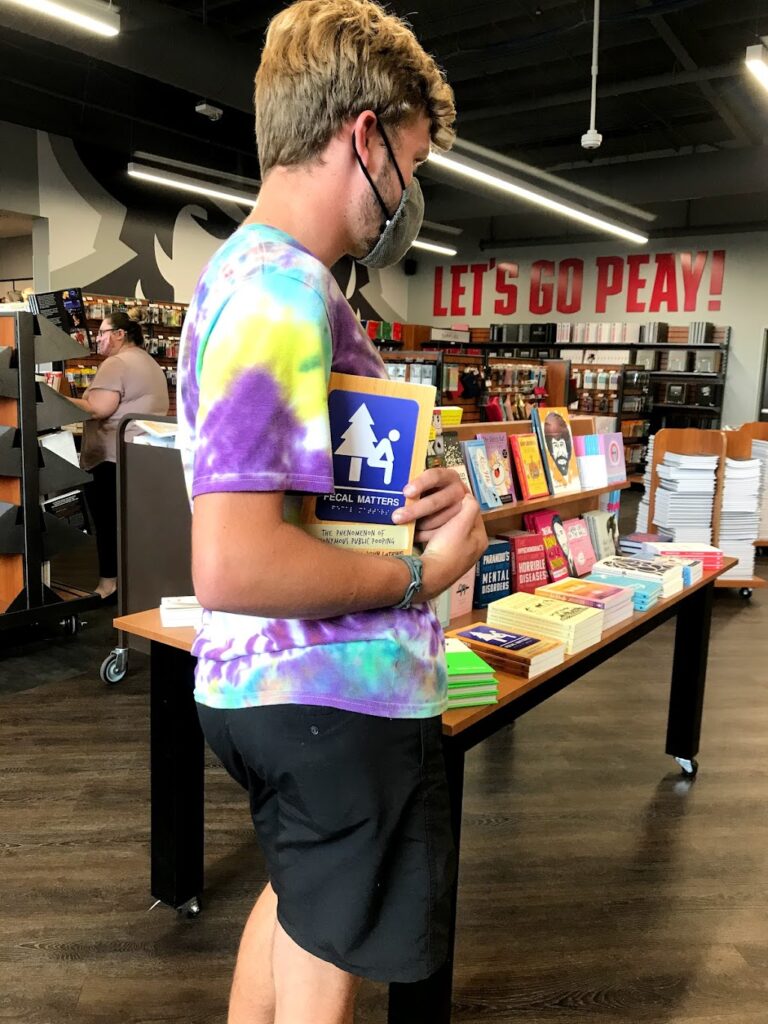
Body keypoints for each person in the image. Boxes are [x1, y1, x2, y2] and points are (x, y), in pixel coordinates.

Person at [177, 2, 487, 1022]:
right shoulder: (281, 297)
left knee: (301, 901)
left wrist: (414, 505)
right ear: (364, 136)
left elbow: (300, 503)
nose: (411, 191)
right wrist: (420, 573)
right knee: (330, 954)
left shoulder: (269, 283)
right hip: (327, 702)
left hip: (290, 692)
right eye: (411, 157)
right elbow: (236, 560)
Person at [69, 311, 169, 599]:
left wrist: (53, 398)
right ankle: (136, 581)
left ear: (119, 334)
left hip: (111, 456)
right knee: (131, 523)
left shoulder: (116, 363)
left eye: (102, 332)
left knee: (108, 524)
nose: (98, 338)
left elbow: (99, 407)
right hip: (142, 454)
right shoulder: (149, 362)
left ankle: (108, 584)